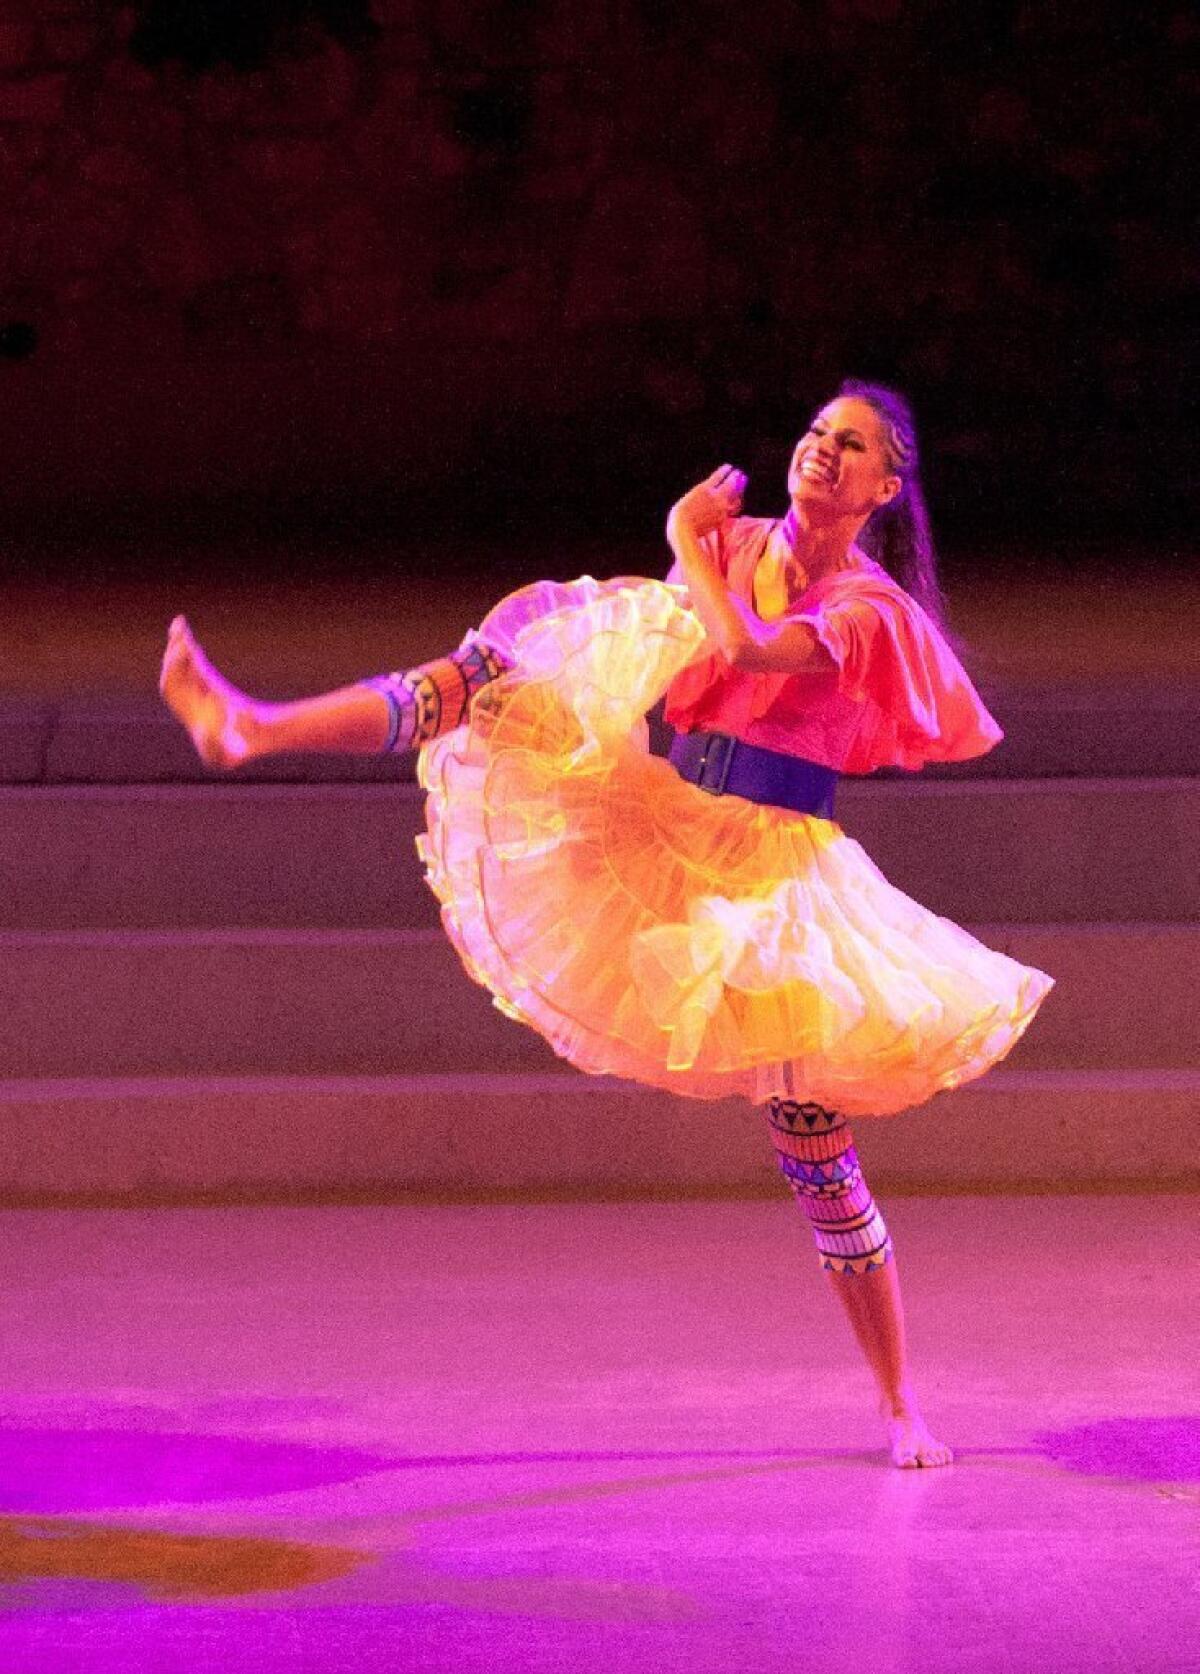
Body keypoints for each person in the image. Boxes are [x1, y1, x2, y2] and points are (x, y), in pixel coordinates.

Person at [160, 379, 1054, 1469]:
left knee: (816, 1147)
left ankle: (901, 1401)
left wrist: (684, 532)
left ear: (887, 483)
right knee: (492, 680)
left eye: (851, 444)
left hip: (774, 881)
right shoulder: (741, 545)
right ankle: (256, 724)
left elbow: (756, 651)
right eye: (816, 432)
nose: (822, 452)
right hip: (665, 821)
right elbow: (671, 644)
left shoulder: (873, 612)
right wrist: (574, 662)